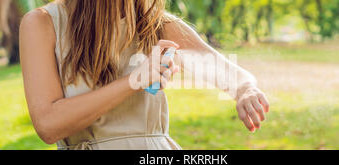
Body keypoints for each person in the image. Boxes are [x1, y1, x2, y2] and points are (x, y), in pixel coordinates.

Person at [19, 0, 270, 150]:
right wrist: (133, 81)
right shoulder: (42, 24)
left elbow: (231, 74)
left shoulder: (157, 25)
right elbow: (48, 125)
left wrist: (245, 90)